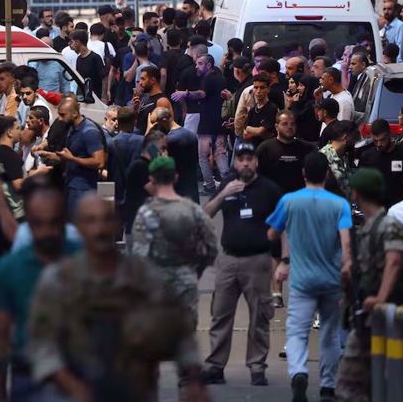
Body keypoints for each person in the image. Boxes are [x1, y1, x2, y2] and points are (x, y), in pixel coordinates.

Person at [26, 194, 209, 402]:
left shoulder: (143, 276)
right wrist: (71, 385)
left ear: (117, 224)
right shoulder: (59, 280)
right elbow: (41, 343)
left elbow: (180, 331)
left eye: (106, 219)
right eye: (91, 221)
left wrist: (193, 381)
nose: (100, 229)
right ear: (78, 228)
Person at [267, 152, 352, 402]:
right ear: (327, 174)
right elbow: (346, 241)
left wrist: (285, 251)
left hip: (302, 281)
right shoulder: (339, 204)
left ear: (303, 173)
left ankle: (299, 372)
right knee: (330, 333)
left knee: (297, 331)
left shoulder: (289, 201)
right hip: (332, 279)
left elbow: (272, 233)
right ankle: (327, 385)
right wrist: (346, 267)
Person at [201, 143, 283, 386]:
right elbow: (206, 214)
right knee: (220, 315)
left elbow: (281, 228)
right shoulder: (227, 184)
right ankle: (216, 366)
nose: (245, 163)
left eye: (250, 159)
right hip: (228, 260)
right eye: (241, 159)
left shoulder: (269, 189)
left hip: (257, 261)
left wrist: (281, 262)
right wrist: (224, 194)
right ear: (235, 162)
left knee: (260, 316)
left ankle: (257, 367)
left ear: (256, 162)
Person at [0, 182, 79, 402]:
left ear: (64, 221)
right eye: (39, 224)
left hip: (78, 372)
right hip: (28, 375)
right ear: (28, 222)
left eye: (54, 223)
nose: (47, 232)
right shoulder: (10, 268)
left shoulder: (84, 260)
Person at [334, 169, 403, 402]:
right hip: (366, 315)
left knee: (351, 383)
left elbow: (394, 261)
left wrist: (381, 298)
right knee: (365, 385)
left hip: (381, 314)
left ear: (357, 193)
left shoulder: (388, 225)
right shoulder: (367, 228)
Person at [132, 156, 218, 336]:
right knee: (186, 341)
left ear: (152, 179)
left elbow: (139, 255)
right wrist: (195, 270)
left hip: (156, 285)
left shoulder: (146, 212)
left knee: (155, 343)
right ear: (176, 177)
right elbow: (211, 246)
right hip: (186, 281)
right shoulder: (193, 209)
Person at [38, 96, 105, 215]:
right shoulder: (72, 129)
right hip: (71, 184)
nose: (60, 119)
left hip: (84, 189)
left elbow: (99, 162)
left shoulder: (89, 132)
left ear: (74, 113)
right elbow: (70, 157)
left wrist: (73, 159)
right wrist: (51, 155)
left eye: (63, 115)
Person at [356, 119, 403, 208]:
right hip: (376, 209)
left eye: (382, 139)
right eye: (375, 140)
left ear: (389, 134)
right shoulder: (367, 156)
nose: (379, 144)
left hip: (400, 208)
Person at [256, 110, 315, 195]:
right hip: (273, 198)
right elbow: (258, 177)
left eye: (292, 124)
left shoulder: (307, 148)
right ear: (276, 127)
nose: (289, 127)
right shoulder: (265, 148)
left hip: (300, 198)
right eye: (285, 124)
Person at [150, 106, 201, 203]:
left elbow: (157, 162)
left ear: (164, 120)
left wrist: (149, 132)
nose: (156, 126)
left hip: (176, 192)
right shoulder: (192, 135)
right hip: (192, 191)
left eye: (156, 123)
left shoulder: (169, 140)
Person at [194, 54, 228, 194]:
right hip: (220, 121)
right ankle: (227, 184)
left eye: (200, 63)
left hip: (206, 123)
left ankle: (209, 185)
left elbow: (202, 94)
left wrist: (186, 93)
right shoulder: (221, 77)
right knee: (220, 153)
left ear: (209, 65)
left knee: (203, 156)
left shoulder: (207, 78)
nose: (197, 66)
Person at [242, 74, 280, 148]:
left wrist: (250, 130)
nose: (258, 91)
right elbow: (245, 134)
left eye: (262, 88)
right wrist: (255, 131)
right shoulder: (253, 109)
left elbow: (260, 131)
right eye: (256, 87)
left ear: (268, 89)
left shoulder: (272, 108)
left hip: (267, 149)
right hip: (254, 149)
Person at [134, 65, 172, 135]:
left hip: (152, 142)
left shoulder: (162, 101)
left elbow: (165, 128)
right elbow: (139, 122)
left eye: (143, 79)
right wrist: (135, 108)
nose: (140, 83)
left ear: (152, 80)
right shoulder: (145, 97)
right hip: (141, 139)